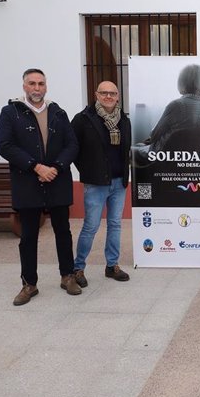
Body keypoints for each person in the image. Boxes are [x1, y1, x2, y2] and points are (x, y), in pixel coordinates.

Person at [0, 68, 80, 305]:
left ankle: (67, 276)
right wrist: (36, 167)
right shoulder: (10, 112)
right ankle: (29, 284)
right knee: (28, 236)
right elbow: (5, 146)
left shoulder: (58, 112)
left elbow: (72, 144)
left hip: (57, 181)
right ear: (24, 86)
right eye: (32, 83)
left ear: (46, 86)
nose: (36, 88)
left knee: (63, 232)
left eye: (41, 83)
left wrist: (56, 167)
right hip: (28, 184)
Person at [71, 81, 132, 287]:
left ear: (118, 96)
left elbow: (125, 151)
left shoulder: (124, 120)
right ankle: (78, 268)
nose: (108, 96)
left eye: (112, 93)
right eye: (104, 93)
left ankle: (111, 265)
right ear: (96, 94)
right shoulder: (83, 119)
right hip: (95, 183)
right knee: (91, 226)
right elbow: (73, 149)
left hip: (118, 182)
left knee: (115, 225)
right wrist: (87, 171)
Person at [133, 63, 200, 166]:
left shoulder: (177, 105)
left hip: (164, 156)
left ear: (182, 82)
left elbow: (155, 134)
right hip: (194, 158)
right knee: (140, 146)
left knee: (132, 149)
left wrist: (149, 140)